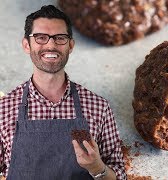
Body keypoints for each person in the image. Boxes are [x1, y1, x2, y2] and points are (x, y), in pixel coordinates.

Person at [0, 5, 126, 180]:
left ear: (70, 45)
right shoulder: (4, 108)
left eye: (60, 38)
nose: (51, 45)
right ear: (26, 45)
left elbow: (119, 174)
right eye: (41, 37)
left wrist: (97, 168)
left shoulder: (98, 106)